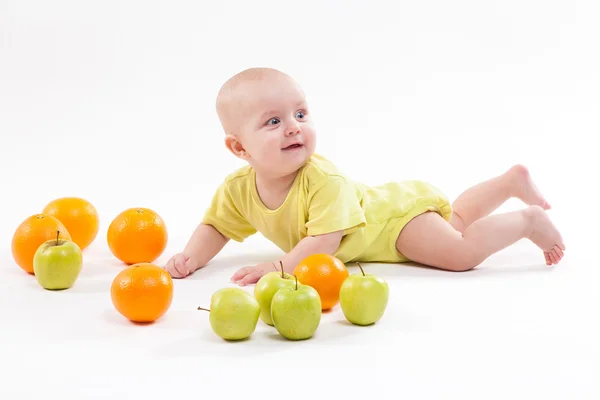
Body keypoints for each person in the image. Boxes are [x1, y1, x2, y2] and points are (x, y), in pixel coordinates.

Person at [164, 67, 565, 285]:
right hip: (389, 211)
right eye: (273, 121)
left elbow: (324, 241)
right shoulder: (237, 190)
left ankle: (529, 221)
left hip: (392, 224)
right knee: (455, 220)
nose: (294, 127)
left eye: (300, 114)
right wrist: (191, 258)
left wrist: (279, 267)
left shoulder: (323, 180)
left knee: (459, 253)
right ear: (239, 148)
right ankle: (510, 182)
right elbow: (216, 226)